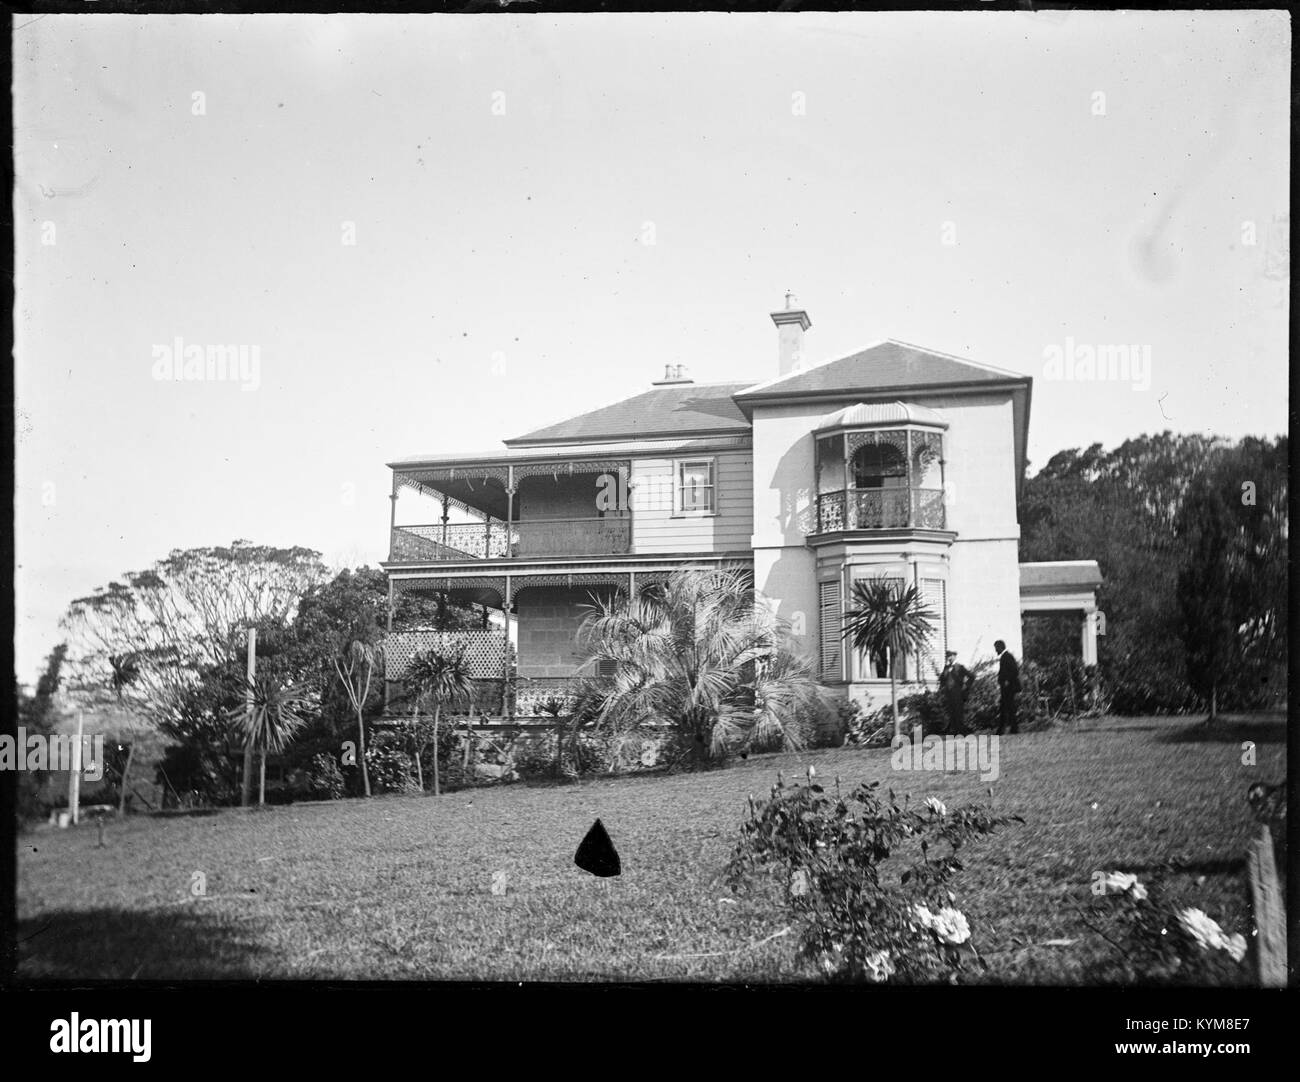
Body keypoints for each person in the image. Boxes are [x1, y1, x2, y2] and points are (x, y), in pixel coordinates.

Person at [938, 651, 974, 735]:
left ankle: (961, 732)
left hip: (958, 693)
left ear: (954, 656)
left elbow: (972, 676)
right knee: (952, 712)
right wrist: (942, 687)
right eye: (947, 656)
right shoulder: (946, 667)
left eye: (950, 656)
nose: (949, 658)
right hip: (948, 693)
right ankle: (954, 732)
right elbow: (942, 679)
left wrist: (966, 686)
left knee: (959, 712)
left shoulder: (960, 667)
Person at [994, 639, 1020, 734]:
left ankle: (1005, 729)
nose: (996, 650)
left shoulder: (1007, 656)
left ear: (1001, 647)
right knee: (1007, 708)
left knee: (1007, 708)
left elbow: (1015, 671)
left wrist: (1007, 681)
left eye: (996, 648)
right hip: (1005, 688)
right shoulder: (1004, 657)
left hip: (1009, 688)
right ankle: (1011, 729)